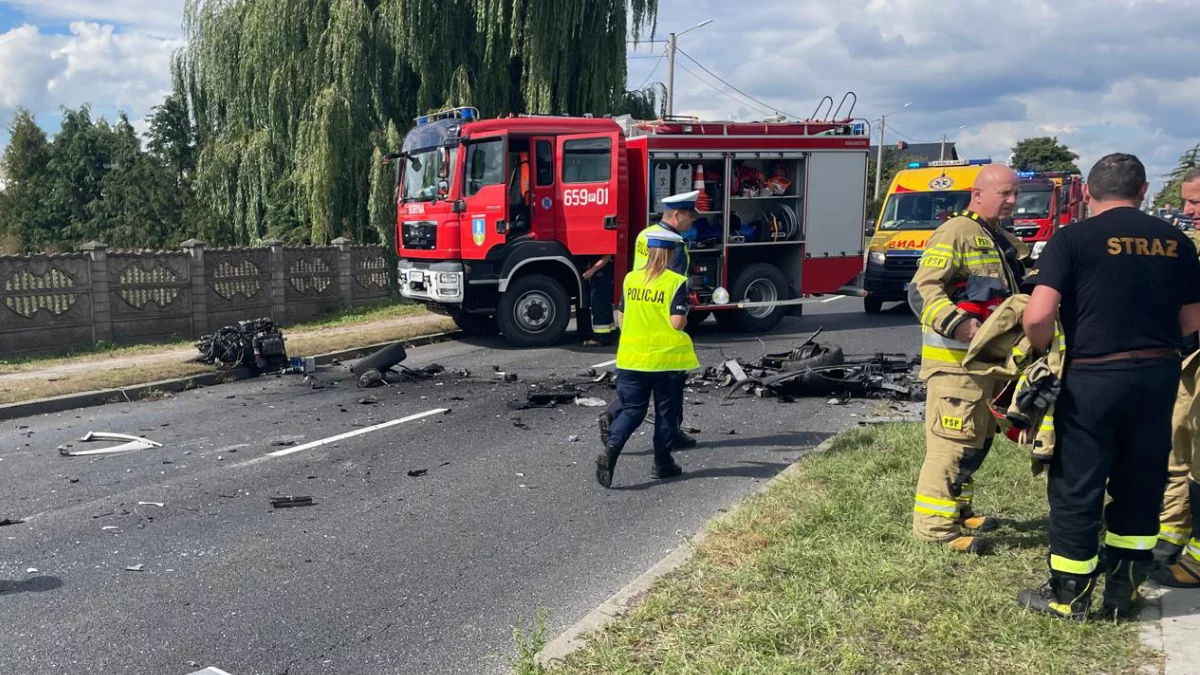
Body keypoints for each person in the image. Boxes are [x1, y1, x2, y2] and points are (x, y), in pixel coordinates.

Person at [1017, 154, 1200, 620]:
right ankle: (1124, 593)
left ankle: (1070, 597)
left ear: (1089, 192)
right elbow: (1192, 319)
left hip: (1093, 377)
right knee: (1141, 483)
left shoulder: (1071, 239)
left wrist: (1043, 350)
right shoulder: (1177, 241)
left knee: (1077, 484)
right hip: (1158, 376)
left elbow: (1038, 315)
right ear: (1142, 192)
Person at [910, 164, 1026, 554]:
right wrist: (958, 325)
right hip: (955, 365)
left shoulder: (997, 237)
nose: (1012, 201)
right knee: (952, 445)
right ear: (977, 194)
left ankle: (959, 511)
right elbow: (923, 289)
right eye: (1004, 193)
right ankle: (935, 529)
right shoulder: (956, 232)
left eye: (1015, 194)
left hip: (987, 366)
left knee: (976, 441)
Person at [595, 227, 699, 488]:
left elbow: (621, 316)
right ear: (671, 254)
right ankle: (662, 464)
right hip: (665, 362)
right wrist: (685, 315)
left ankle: (612, 448)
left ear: (650, 252)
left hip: (631, 359)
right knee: (666, 414)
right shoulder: (675, 281)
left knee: (632, 410)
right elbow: (677, 322)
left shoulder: (631, 279)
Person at [1154, 167, 1200, 586]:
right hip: (1190, 360)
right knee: (1180, 446)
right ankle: (1171, 537)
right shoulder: (1190, 244)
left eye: (1196, 201)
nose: (1188, 210)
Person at [582, 254, 614, 347]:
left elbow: (607, 256)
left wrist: (591, 271)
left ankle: (600, 338)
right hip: (602, 274)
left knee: (598, 307)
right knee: (604, 306)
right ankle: (608, 333)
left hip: (601, 275)